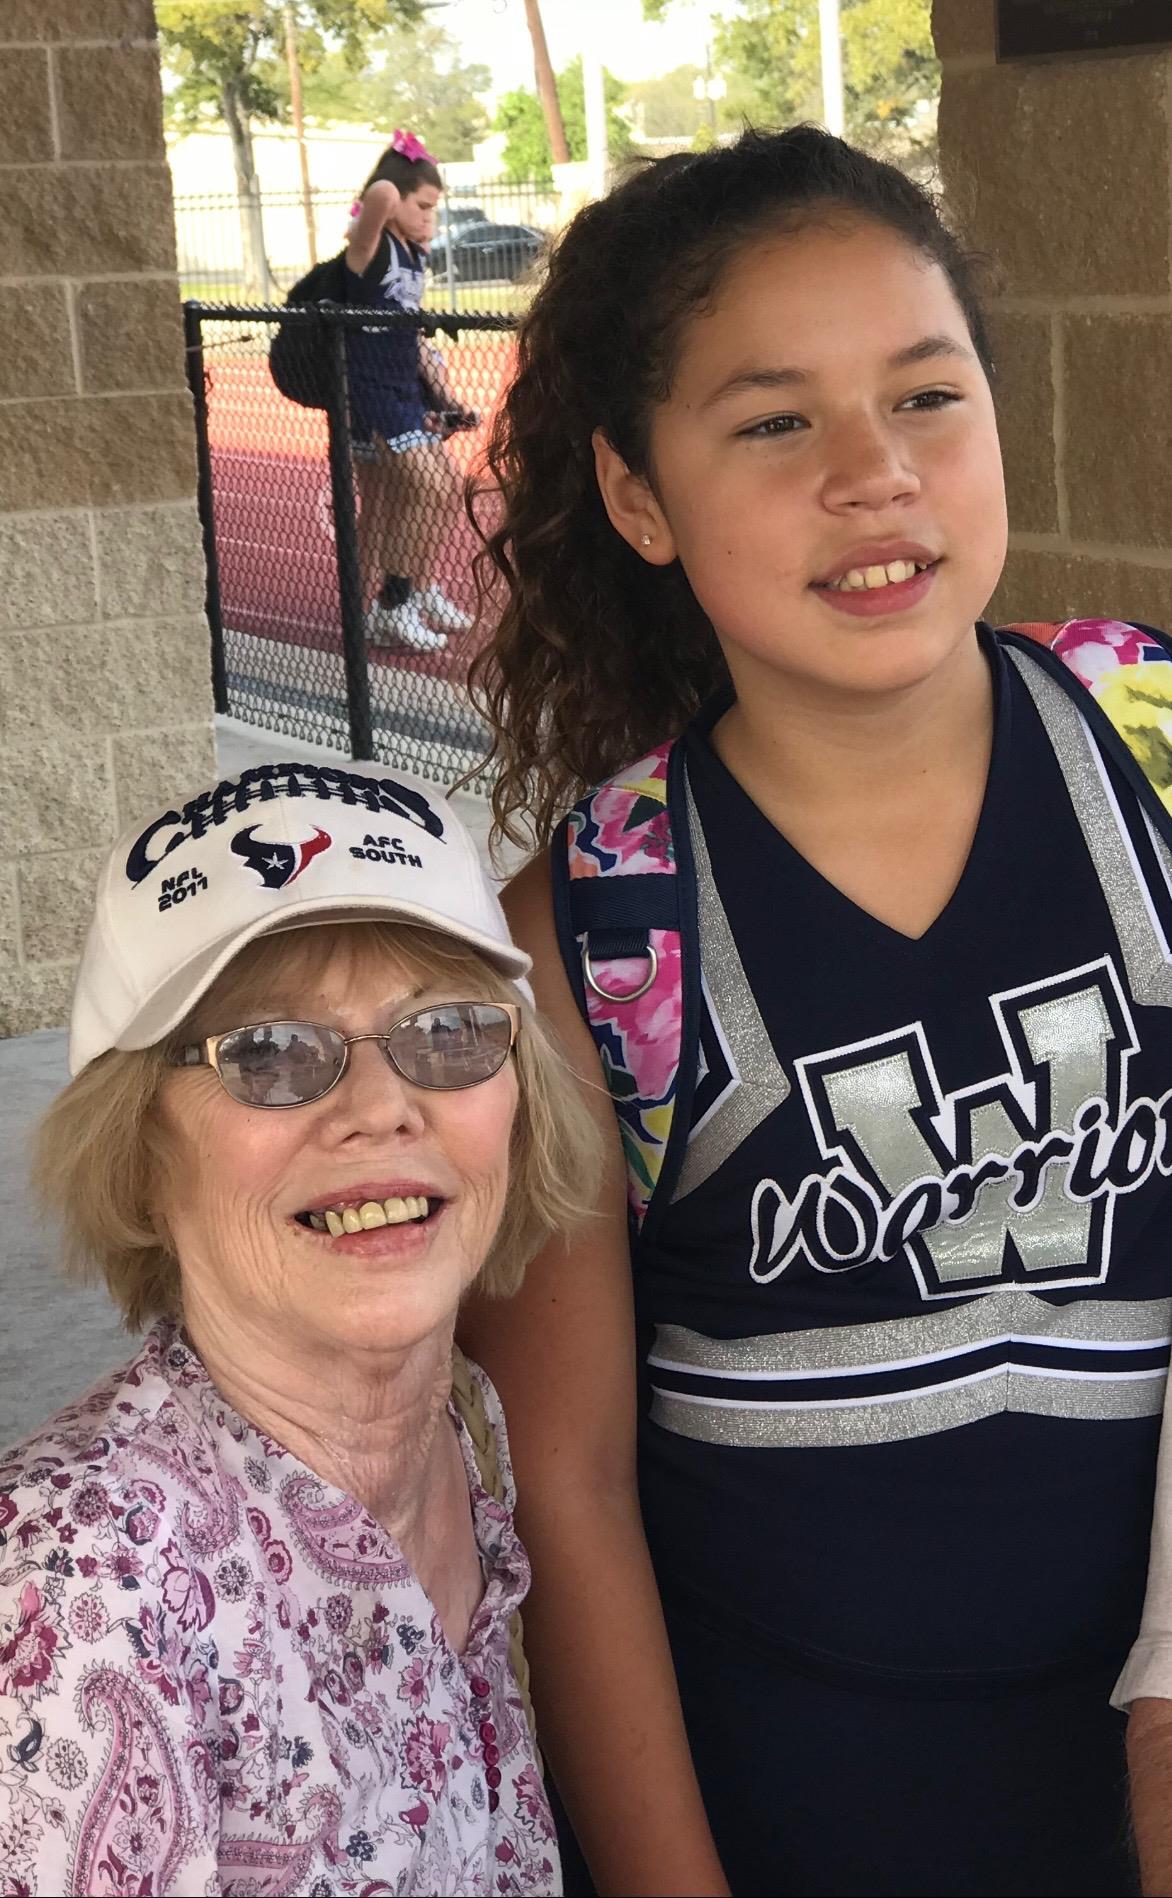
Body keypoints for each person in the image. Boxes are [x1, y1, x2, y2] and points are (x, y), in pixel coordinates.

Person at [459, 125, 1172, 1896]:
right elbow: (570, 1487)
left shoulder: (1148, 760)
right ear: (638, 495)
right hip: (801, 1809)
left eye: (927, 395)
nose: (874, 473)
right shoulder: (594, 928)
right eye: (774, 422)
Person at [0, 759, 600, 1896]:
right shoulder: (75, 1586)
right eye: (269, 1052)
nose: (380, 1106)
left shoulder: (462, 1429)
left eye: (449, 1029)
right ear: (139, 1145)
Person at [344, 129, 478, 654]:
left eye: (435, 209)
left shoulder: (415, 257)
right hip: (368, 390)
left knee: (438, 487)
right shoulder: (369, 248)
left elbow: (416, 337)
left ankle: (413, 592)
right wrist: (398, 168)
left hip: (405, 390)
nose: (431, 219)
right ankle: (388, 605)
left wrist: (445, 398)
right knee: (408, 493)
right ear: (395, 197)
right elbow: (374, 204)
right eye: (423, 206)